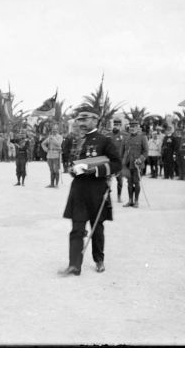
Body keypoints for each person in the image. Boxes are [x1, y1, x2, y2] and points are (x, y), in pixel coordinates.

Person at [59, 111, 121, 276]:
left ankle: (99, 259)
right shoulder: (76, 140)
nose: (81, 123)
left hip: (97, 191)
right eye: (79, 120)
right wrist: (72, 169)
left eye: (85, 120)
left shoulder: (105, 141)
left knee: (97, 228)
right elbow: (73, 162)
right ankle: (74, 265)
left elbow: (117, 164)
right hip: (79, 190)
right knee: (76, 228)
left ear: (95, 120)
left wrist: (96, 170)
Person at [122, 121, 148, 208]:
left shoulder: (142, 137)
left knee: (136, 183)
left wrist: (140, 160)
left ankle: (136, 201)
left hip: (137, 164)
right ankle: (130, 200)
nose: (132, 129)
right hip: (128, 164)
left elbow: (145, 151)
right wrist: (122, 162)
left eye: (134, 127)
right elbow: (123, 151)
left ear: (138, 128)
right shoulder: (126, 138)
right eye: (131, 127)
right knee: (129, 183)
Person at [109, 118, 128, 201]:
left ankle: (119, 197)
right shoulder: (108, 135)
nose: (116, 126)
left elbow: (127, 149)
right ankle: (107, 197)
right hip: (109, 161)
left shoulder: (124, 135)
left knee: (120, 180)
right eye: (115, 124)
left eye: (117, 125)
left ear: (120, 126)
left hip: (119, 161)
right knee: (107, 180)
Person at [41, 122, 63, 188]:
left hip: (56, 155)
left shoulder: (59, 137)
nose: (54, 131)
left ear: (57, 130)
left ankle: (56, 184)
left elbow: (59, 144)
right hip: (49, 155)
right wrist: (45, 149)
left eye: (55, 129)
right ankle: (52, 184)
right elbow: (43, 143)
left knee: (56, 170)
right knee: (51, 170)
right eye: (53, 129)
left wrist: (53, 138)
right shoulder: (49, 137)